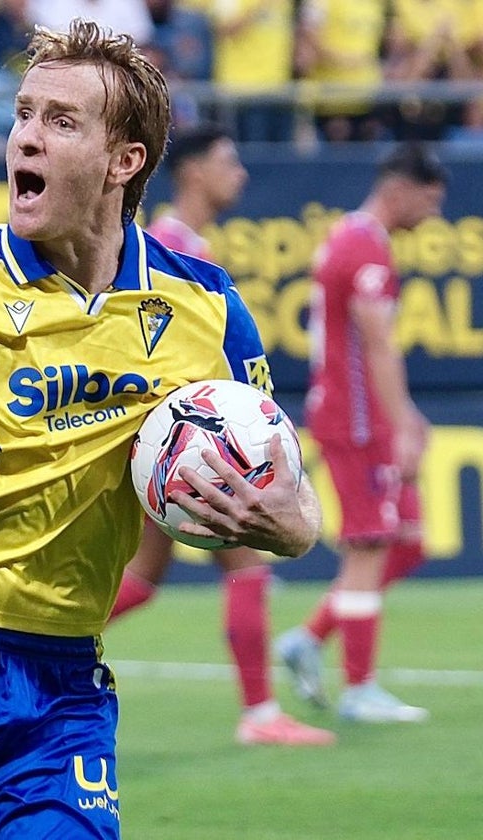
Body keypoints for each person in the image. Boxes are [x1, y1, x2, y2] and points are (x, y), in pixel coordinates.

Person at [0, 19, 322, 837]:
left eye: (61, 121)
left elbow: (293, 498)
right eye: (24, 114)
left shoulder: (208, 306)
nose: (26, 139)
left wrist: (291, 527)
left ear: (125, 162)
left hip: (63, 685)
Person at [108, 123, 335, 747]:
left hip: (172, 442)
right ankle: (260, 715)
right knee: (248, 563)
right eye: (228, 161)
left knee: (144, 581)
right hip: (189, 446)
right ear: (193, 173)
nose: (240, 173)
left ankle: (34, 647)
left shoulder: (179, 245)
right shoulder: (172, 251)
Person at [274, 142, 445, 724]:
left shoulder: (350, 238)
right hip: (360, 421)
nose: (434, 214)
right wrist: (401, 426)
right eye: (431, 200)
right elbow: (377, 344)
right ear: (401, 189)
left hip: (362, 414)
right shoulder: (366, 248)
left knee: (410, 539)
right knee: (370, 543)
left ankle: (310, 636)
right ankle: (359, 688)